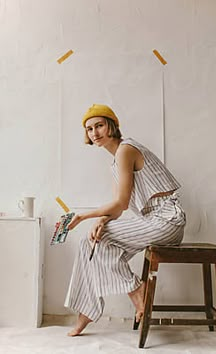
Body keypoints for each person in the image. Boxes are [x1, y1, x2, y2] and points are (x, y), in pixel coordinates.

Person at [64, 103, 186, 336]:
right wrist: (101, 220)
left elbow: (121, 204)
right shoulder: (115, 162)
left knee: (97, 240)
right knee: (91, 241)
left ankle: (136, 290)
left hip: (167, 220)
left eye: (99, 125)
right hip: (153, 221)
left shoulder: (126, 149)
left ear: (112, 125)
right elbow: (119, 208)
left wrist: (82, 216)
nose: (94, 133)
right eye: (89, 129)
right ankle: (87, 310)